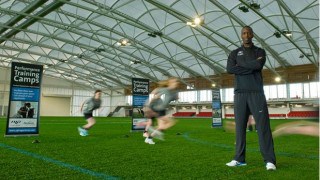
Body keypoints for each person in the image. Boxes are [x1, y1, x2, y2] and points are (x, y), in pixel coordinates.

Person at [225, 26, 276, 170]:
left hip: (256, 93)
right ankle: (239, 159)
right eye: (244, 33)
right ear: (241, 36)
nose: (246, 35)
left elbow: (258, 65)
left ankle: (270, 161)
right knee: (240, 128)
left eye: (248, 33)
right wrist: (251, 66)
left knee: (263, 127)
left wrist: (240, 66)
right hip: (240, 94)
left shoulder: (260, 51)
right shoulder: (234, 53)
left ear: (252, 35)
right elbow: (230, 69)